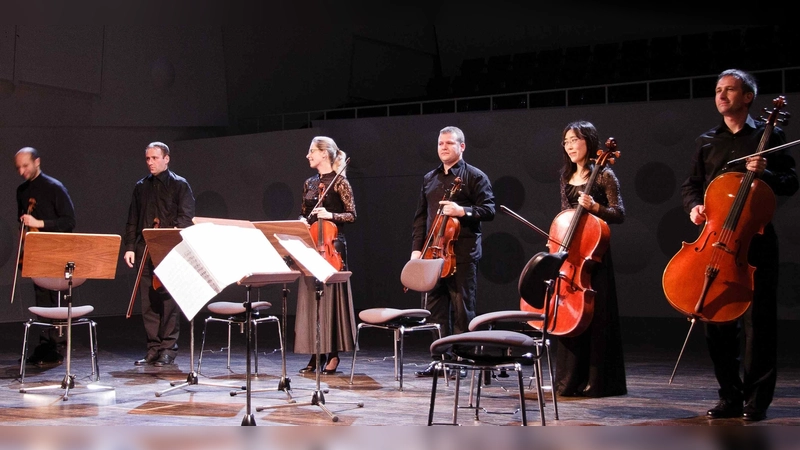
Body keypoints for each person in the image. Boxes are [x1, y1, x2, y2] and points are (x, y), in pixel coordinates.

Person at [680, 69, 798, 421]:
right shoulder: (706, 141)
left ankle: (756, 401)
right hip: (715, 243)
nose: (721, 95)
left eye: (729, 90)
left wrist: (767, 173)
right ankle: (729, 396)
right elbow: (691, 185)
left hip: (755, 245)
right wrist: (695, 208)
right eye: (718, 90)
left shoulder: (770, 135)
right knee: (715, 322)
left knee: (758, 327)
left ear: (747, 97)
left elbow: (792, 182)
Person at [412, 126, 495, 378]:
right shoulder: (430, 178)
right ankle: (439, 360)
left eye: (449, 143)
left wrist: (463, 211)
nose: (444, 147)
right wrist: (417, 251)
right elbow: (420, 218)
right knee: (436, 309)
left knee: (462, 309)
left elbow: (489, 210)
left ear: (462, 146)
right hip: (433, 254)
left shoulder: (475, 176)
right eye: (440, 143)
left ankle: (461, 359)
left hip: (462, 254)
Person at [553, 120, 627, 398]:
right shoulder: (565, 176)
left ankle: (598, 382)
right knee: (569, 317)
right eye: (567, 141)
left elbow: (619, 213)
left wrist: (595, 207)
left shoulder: (605, 174)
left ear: (590, 143)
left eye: (575, 140)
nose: (570, 146)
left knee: (597, 319)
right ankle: (569, 380)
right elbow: (564, 214)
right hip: (571, 253)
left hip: (594, 255)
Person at [124, 142, 195, 367]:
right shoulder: (141, 187)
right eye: (148, 159)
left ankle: (168, 349)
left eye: (155, 158)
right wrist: (129, 247)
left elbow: (186, 219)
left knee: (168, 301)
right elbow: (133, 219)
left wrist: (168, 237)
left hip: (170, 250)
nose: (150, 163)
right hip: (144, 249)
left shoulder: (180, 185)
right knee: (148, 301)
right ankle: (153, 349)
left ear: (166, 159)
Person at [294, 136, 357, 375]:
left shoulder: (341, 183)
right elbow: (304, 213)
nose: (308, 155)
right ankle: (315, 353)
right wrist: (302, 221)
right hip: (312, 246)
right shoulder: (309, 183)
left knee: (332, 302)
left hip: (332, 248)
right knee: (312, 302)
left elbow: (352, 215)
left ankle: (333, 355)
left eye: (312, 151)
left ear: (324, 154)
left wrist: (330, 215)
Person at [14, 147, 76, 365]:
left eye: (25, 166)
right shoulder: (22, 191)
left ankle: (58, 347)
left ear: (37, 162)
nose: (22, 171)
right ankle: (44, 344)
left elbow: (69, 222)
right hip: (35, 252)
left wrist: (39, 223)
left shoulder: (54, 187)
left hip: (56, 251)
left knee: (54, 300)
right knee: (41, 299)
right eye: (18, 167)